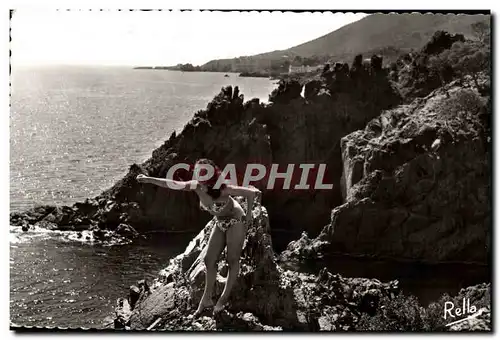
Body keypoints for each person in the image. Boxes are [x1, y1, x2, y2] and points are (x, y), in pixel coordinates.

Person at [136, 158, 261, 316]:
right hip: (220, 222)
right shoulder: (195, 186)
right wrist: (149, 180)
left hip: (235, 220)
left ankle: (223, 299)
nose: (199, 175)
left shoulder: (222, 188)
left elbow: (250, 193)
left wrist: (248, 216)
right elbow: (171, 183)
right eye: (197, 171)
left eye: (203, 172)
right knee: (209, 260)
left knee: (232, 260)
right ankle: (206, 299)